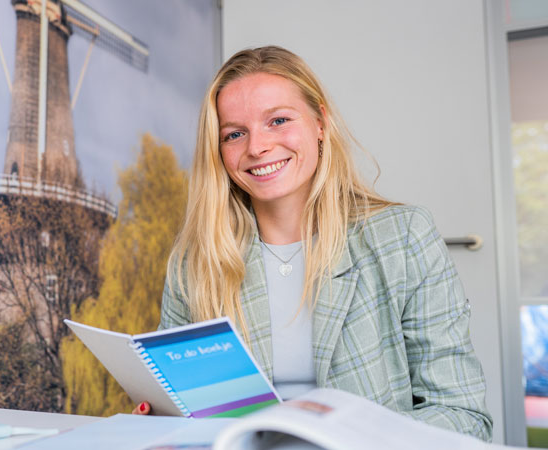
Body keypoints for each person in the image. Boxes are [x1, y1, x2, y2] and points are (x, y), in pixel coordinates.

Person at [132, 45, 492, 442]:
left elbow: (463, 414)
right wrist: (164, 418)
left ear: (320, 123)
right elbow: (188, 414)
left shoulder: (403, 237)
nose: (257, 147)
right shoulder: (195, 262)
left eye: (278, 120)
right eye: (234, 134)